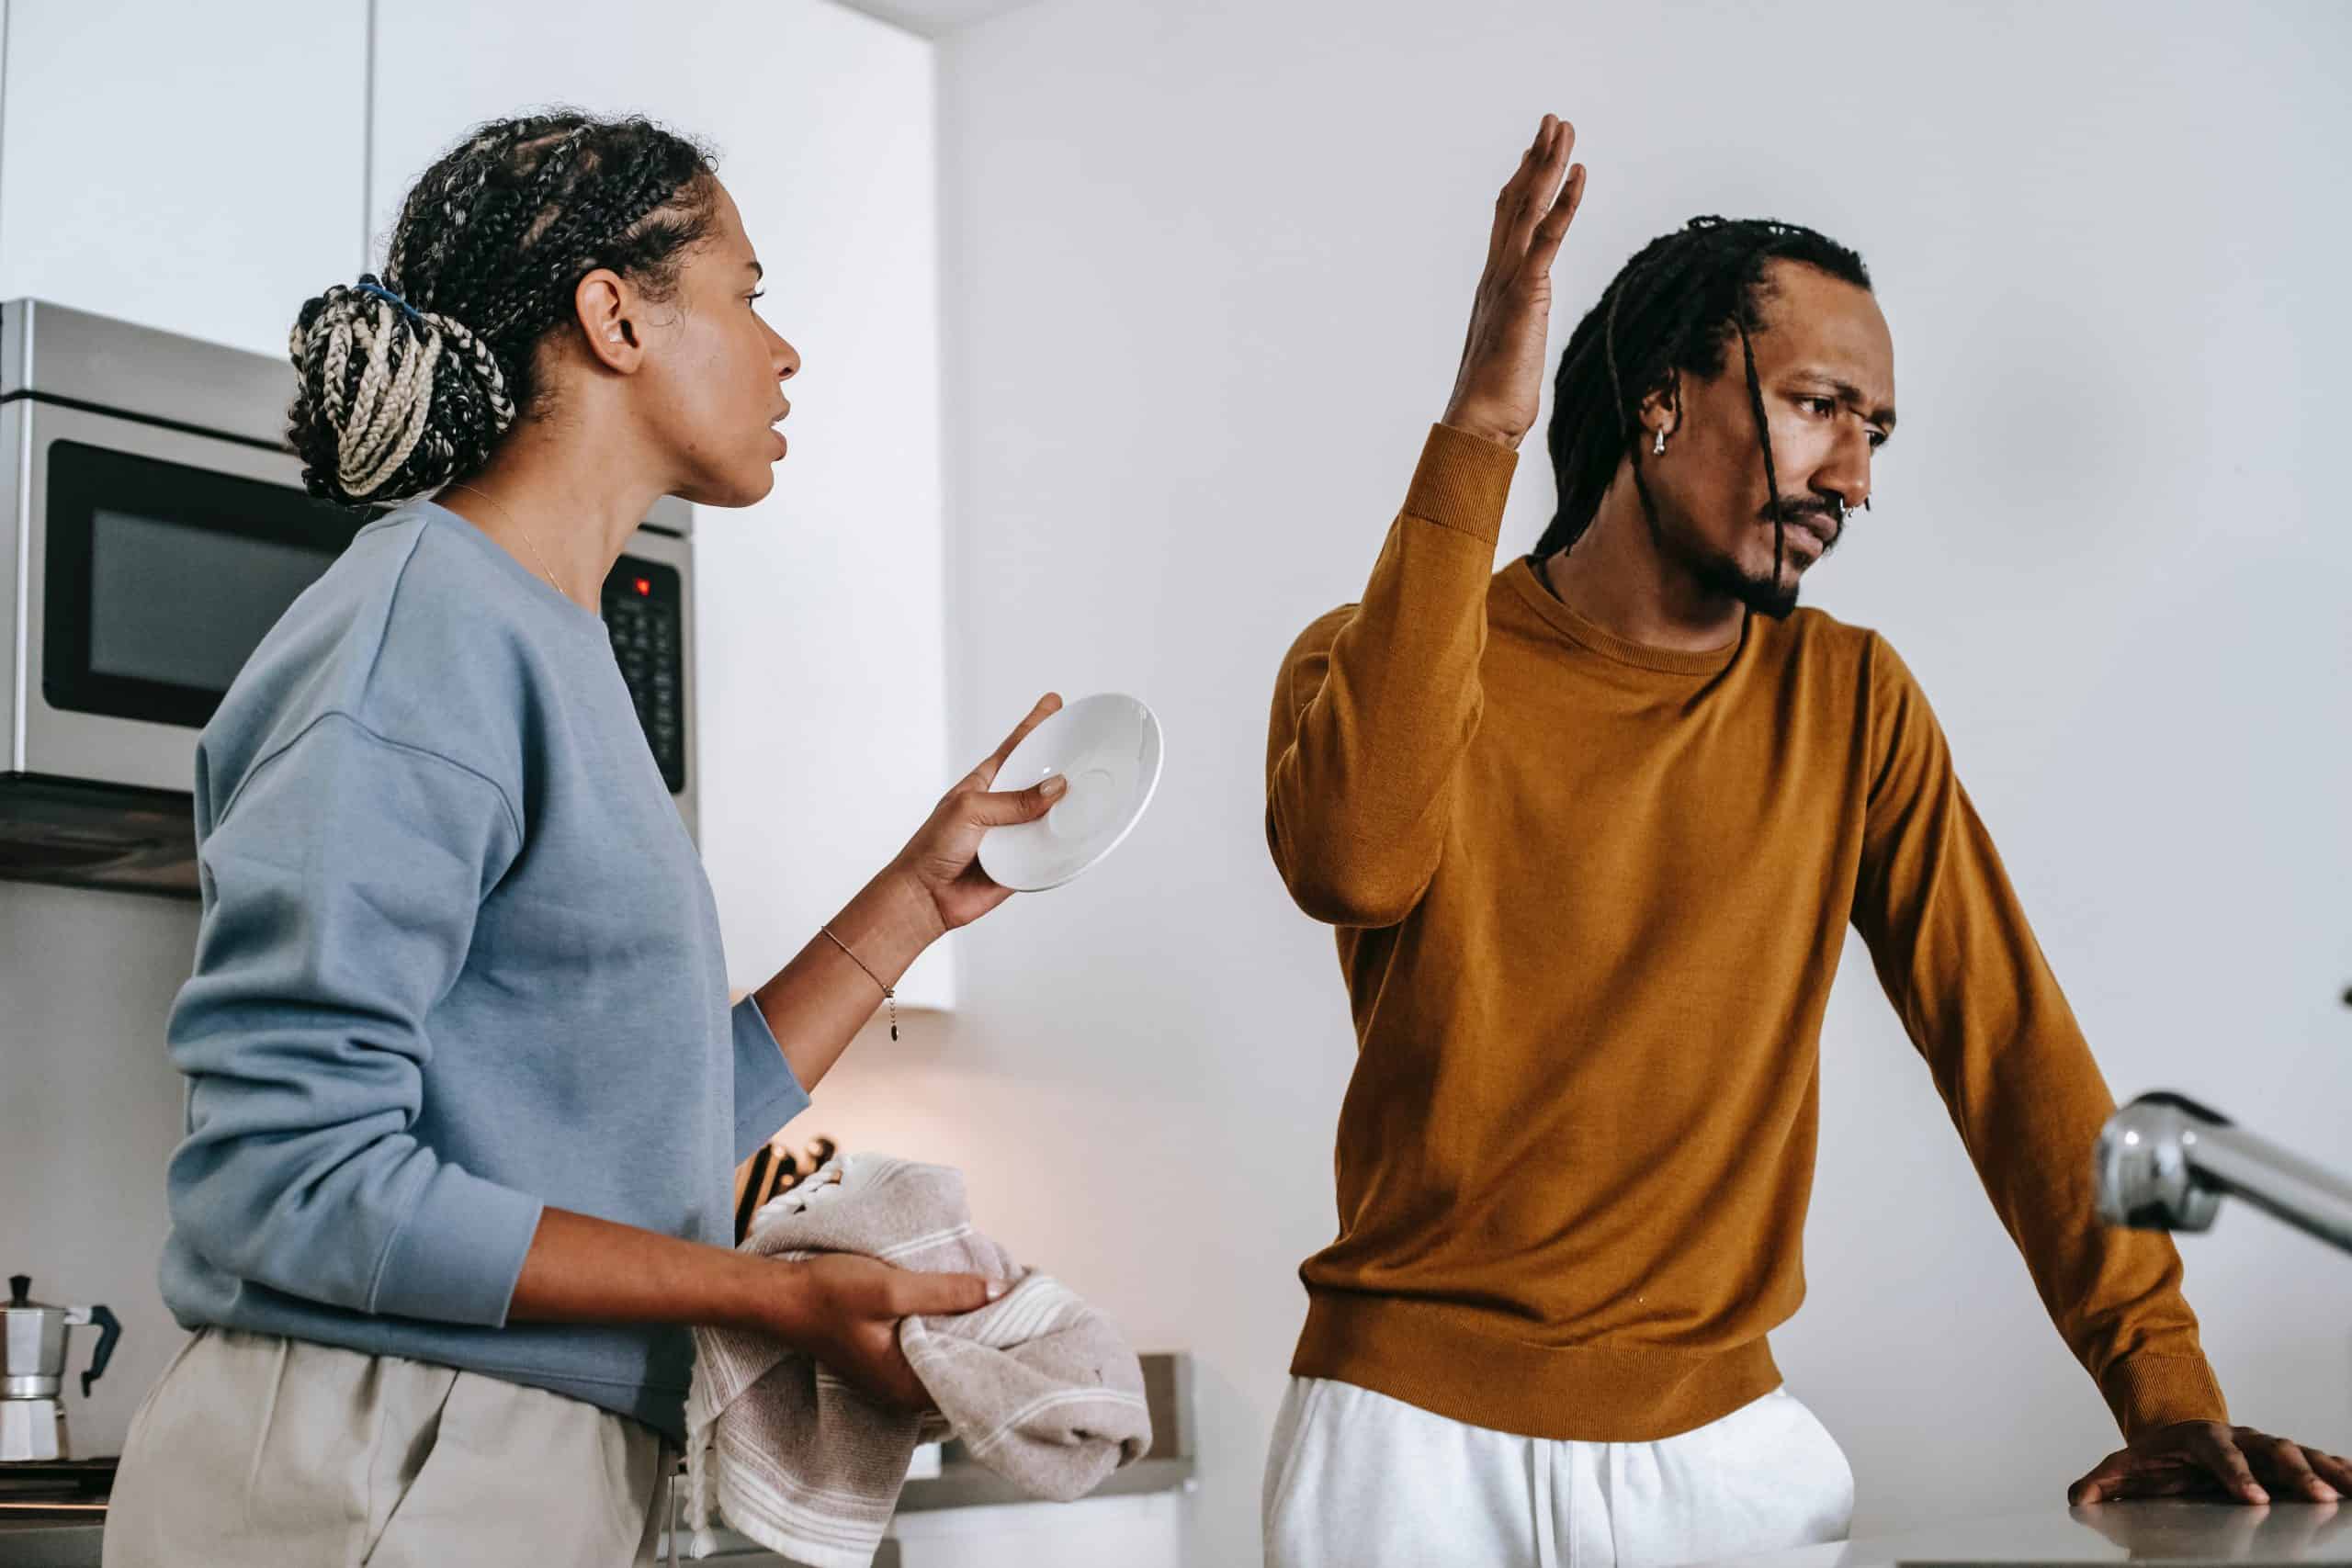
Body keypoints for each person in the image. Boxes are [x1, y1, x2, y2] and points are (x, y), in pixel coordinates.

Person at [1260, 113, 2349, 1568]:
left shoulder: (1850, 702)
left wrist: (2163, 1389)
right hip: (1400, 1455)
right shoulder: (1379, 658)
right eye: (1822, 406)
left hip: (1723, 1464)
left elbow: (2011, 1052)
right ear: (1663, 400)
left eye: (1878, 431)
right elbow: (1352, 862)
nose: (1857, 477)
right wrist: (1479, 431)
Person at [102, 111, 1064, 1567]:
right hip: (378, 1460)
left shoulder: (549, 647)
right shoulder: (423, 642)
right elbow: (286, 1185)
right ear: (615, 316)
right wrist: (765, 1299)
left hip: (496, 1456)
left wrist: (914, 904)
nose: (784, 349)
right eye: (749, 293)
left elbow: (650, 1133)